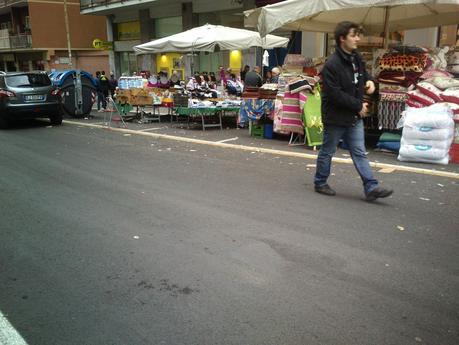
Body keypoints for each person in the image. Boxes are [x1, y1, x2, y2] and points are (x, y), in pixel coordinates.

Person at [314, 21, 393, 202]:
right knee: (328, 151)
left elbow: (363, 75)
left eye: (358, 35)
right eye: (353, 35)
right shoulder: (332, 65)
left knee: (359, 151)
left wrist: (371, 80)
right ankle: (320, 182)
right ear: (342, 39)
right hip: (335, 117)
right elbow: (334, 94)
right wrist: (358, 105)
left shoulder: (356, 58)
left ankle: (371, 187)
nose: (358, 39)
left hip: (354, 116)